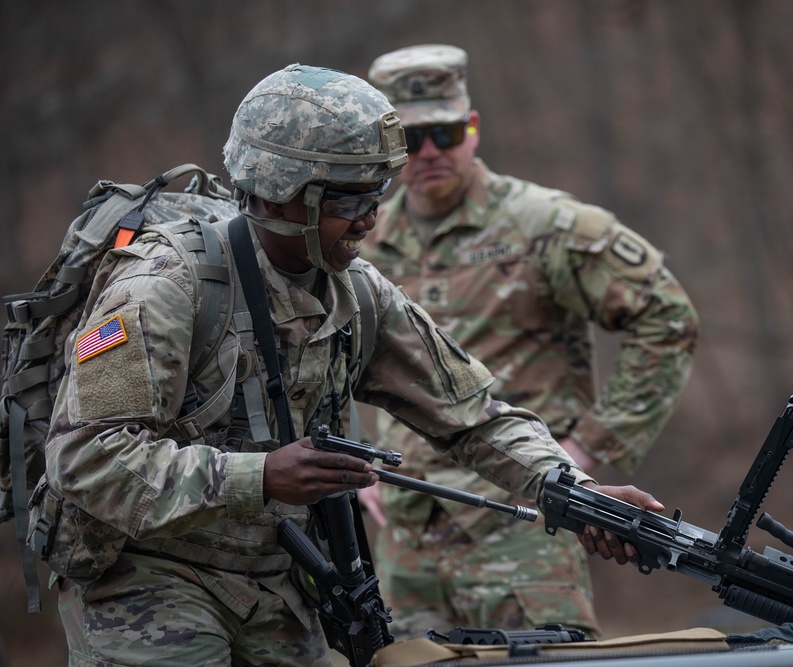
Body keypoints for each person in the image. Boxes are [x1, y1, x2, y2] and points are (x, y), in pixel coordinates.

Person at [39, 64, 662, 667]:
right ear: (279, 198)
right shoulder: (163, 287)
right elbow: (84, 459)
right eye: (348, 197)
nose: (370, 216)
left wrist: (569, 490)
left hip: (280, 576)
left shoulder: (356, 290)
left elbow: (472, 415)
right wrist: (259, 477)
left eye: (377, 192)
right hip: (149, 574)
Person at [360, 45, 699, 638]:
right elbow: (327, 355)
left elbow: (667, 320)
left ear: (473, 127)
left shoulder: (547, 225)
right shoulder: (364, 242)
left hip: (522, 524)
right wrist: (359, 458)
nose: (432, 152)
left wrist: (587, 449)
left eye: (446, 131)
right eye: (413, 140)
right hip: (406, 536)